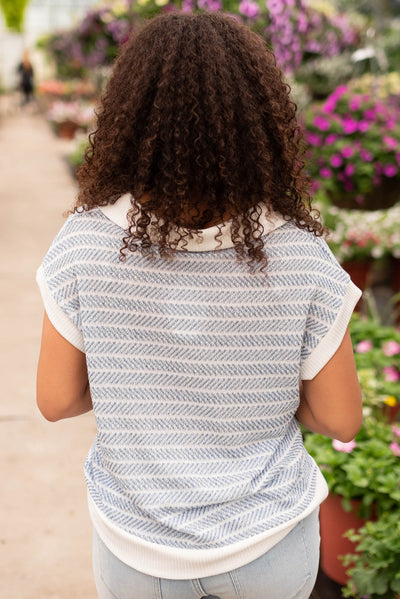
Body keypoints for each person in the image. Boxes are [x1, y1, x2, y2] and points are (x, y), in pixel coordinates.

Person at [36, 12, 363, 599]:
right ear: (260, 122)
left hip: (135, 546)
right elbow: (339, 418)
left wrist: (128, 392)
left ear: (128, 120)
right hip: (269, 542)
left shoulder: (84, 244)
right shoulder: (300, 254)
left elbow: (57, 399)